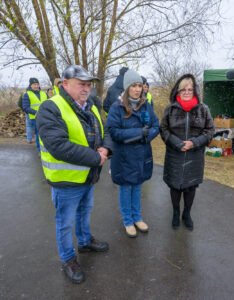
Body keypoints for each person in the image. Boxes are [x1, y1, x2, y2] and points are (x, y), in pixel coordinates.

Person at [36, 65, 113, 284]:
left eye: (89, 84)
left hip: (88, 176)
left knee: (84, 212)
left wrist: (106, 149)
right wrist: (95, 158)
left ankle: (85, 241)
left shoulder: (91, 105)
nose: (86, 88)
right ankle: (68, 259)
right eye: (82, 84)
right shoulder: (50, 108)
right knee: (65, 221)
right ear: (65, 84)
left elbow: (105, 130)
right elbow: (58, 145)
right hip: (66, 181)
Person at [106, 69, 159, 238]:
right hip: (124, 156)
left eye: (140, 86)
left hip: (141, 154)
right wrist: (138, 133)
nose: (138, 89)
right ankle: (128, 220)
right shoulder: (117, 107)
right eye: (134, 86)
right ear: (127, 87)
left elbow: (156, 126)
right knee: (126, 188)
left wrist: (145, 137)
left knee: (137, 187)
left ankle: (137, 217)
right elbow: (114, 132)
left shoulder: (146, 106)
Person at [160, 74, 214, 231]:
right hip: (174, 155)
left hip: (195, 155)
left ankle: (187, 213)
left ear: (195, 91)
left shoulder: (203, 109)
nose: (187, 92)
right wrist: (177, 143)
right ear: (178, 90)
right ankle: (176, 212)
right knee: (175, 187)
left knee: (191, 187)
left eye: (190, 89)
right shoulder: (170, 109)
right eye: (184, 89)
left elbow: (210, 130)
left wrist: (194, 143)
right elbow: (163, 129)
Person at [22, 77, 47, 151]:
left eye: (37, 84)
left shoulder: (43, 93)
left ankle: (46, 149)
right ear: (30, 85)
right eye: (34, 84)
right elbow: (25, 107)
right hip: (34, 118)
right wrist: (36, 112)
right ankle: (40, 150)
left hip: (45, 117)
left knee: (46, 133)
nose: (36, 86)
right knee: (39, 134)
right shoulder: (27, 94)